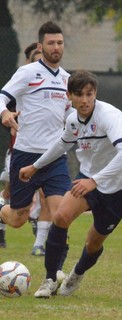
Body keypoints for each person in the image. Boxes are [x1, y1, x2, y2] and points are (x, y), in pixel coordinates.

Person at [19, 70, 122, 298]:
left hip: (121, 185)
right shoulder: (73, 120)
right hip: (88, 178)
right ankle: (50, 279)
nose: (84, 100)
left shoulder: (109, 116)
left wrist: (95, 181)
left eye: (89, 94)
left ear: (95, 94)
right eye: (79, 95)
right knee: (61, 217)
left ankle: (77, 273)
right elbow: (61, 144)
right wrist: (35, 166)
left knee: (93, 243)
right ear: (69, 96)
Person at [0, 21, 73, 278]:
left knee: (61, 213)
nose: (56, 47)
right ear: (41, 46)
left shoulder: (67, 80)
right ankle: (1, 209)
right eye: (51, 43)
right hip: (25, 154)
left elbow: (71, 113)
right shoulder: (27, 72)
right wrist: (5, 113)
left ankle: (55, 272)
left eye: (60, 43)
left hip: (54, 157)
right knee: (19, 218)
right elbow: (1, 96)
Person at [0, 42, 41, 248]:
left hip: (45, 154)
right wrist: (9, 119)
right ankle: (1, 224)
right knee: (9, 194)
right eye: (35, 55)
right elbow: (5, 110)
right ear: (28, 61)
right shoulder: (22, 83)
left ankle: (42, 243)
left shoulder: (54, 83)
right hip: (18, 152)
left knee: (49, 197)